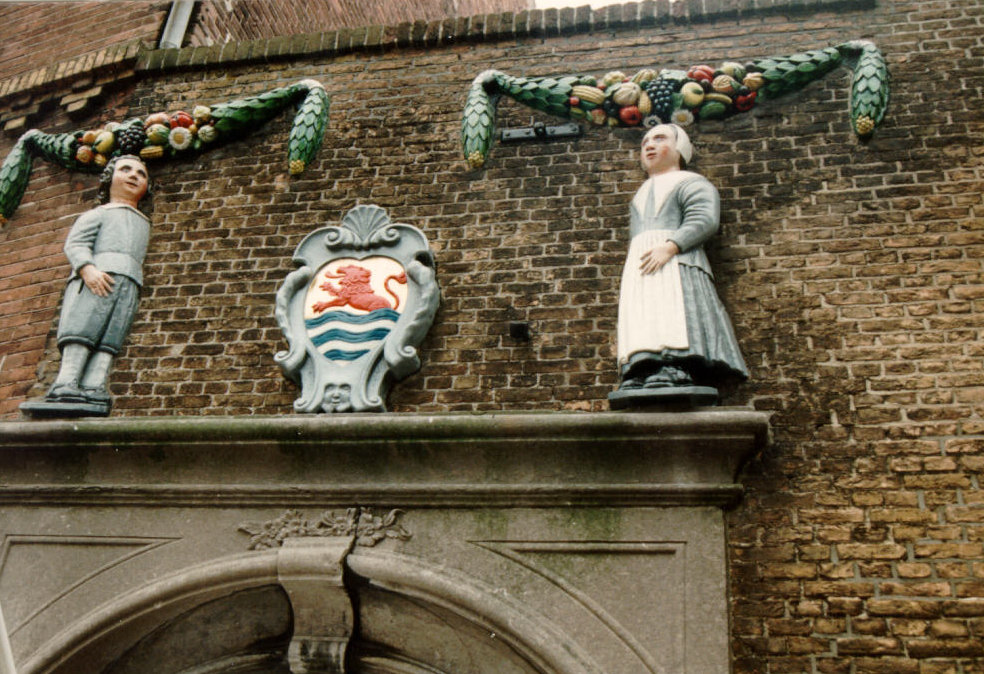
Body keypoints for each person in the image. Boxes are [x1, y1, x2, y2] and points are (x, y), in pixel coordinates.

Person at [614, 124, 748, 400]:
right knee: (643, 312)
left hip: (676, 259)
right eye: (645, 142)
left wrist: (673, 245)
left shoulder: (690, 182)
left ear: (680, 149)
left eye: (660, 138)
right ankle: (642, 365)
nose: (649, 145)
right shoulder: (641, 192)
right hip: (641, 261)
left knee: (673, 308)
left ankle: (675, 364)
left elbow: (704, 219)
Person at [40, 155, 151, 410]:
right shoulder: (100, 213)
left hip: (129, 281)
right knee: (84, 328)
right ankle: (66, 381)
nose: (134, 175)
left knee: (111, 336)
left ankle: (94, 384)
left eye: (141, 173)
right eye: (126, 170)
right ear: (109, 178)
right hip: (98, 277)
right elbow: (76, 243)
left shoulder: (143, 222)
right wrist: (87, 269)